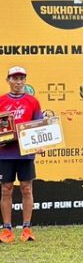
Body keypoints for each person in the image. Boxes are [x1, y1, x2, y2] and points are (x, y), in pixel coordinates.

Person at [0, 66, 44, 243]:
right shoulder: (1, 101)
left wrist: (40, 143)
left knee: (27, 188)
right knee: (6, 189)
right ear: (8, 80)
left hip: (26, 153)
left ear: (25, 80)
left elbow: (39, 126)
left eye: (21, 78)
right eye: (14, 78)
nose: (18, 82)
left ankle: (27, 228)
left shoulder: (33, 102)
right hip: (5, 154)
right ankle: (7, 229)